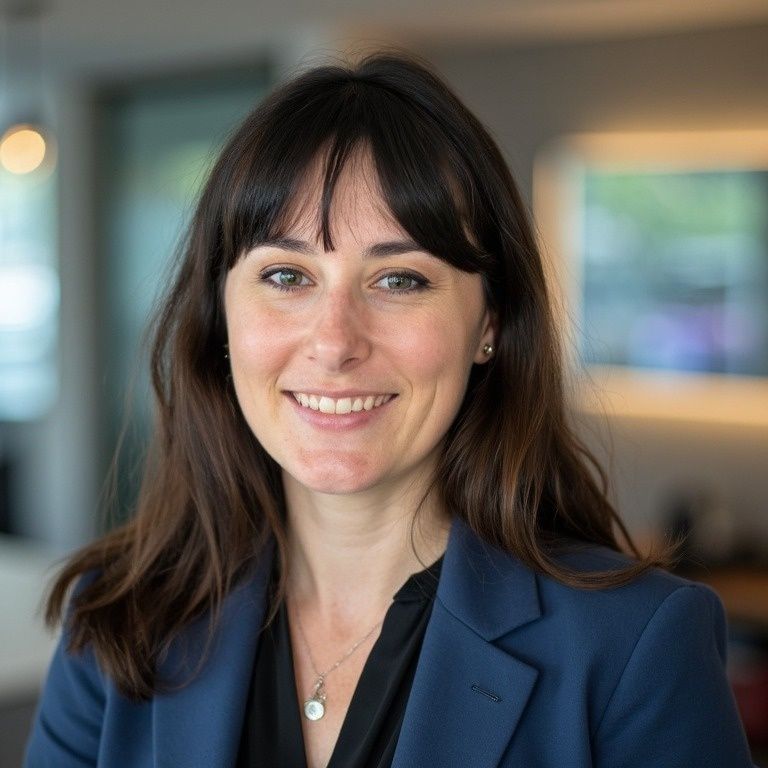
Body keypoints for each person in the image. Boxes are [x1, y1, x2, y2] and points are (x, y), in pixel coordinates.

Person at [24, 51, 755, 768]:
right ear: (220, 317)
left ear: (490, 325)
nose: (335, 342)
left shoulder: (634, 645)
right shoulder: (117, 621)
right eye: (286, 275)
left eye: (400, 280)